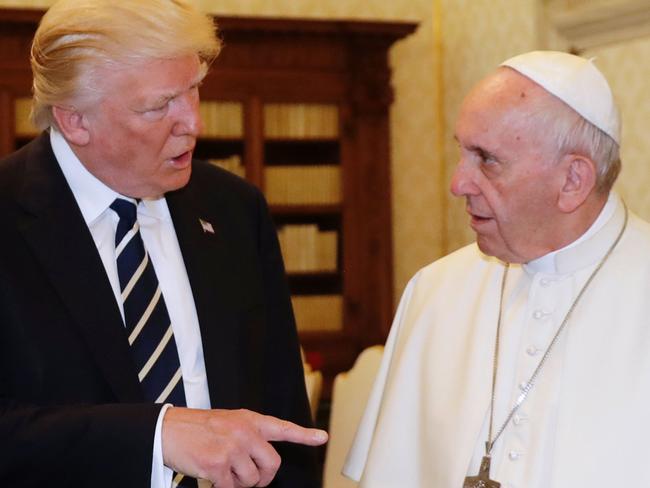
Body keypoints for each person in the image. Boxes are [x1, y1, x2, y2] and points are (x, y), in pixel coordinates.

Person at [0, 1, 327, 487]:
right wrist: (157, 436)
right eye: (159, 106)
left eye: (193, 90)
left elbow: (280, 414)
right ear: (75, 121)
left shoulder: (234, 209)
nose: (193, 122)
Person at [343, 50, 650, 488]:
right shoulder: (434, 292)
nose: (457, 183)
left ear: (573, 181)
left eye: (486, 159)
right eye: (462, 152)